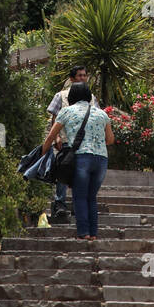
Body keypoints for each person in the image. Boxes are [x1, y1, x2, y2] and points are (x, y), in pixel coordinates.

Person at [42, 82, 114, 240]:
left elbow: (51, 136)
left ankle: (84, 233)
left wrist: (42, 153)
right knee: (91, 197)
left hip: (81, 158)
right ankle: (93, 233)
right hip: (101, 159)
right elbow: (110, 139)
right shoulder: (102, 114)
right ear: (89, 97)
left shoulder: (66, 111)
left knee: (79, 196)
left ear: (72, 96)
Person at [46, 66, 98, 220]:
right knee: (63, 172)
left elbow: (96, 118)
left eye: (84, 75)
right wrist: (56, 138)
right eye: (79, 75)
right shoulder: (61, 96)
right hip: (66, 141)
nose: (82, 78)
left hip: (85, 143)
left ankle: (78, 205)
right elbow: (54, 118)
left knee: (81, 175)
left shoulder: (92, 98)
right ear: (72, 78)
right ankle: (60, 203)